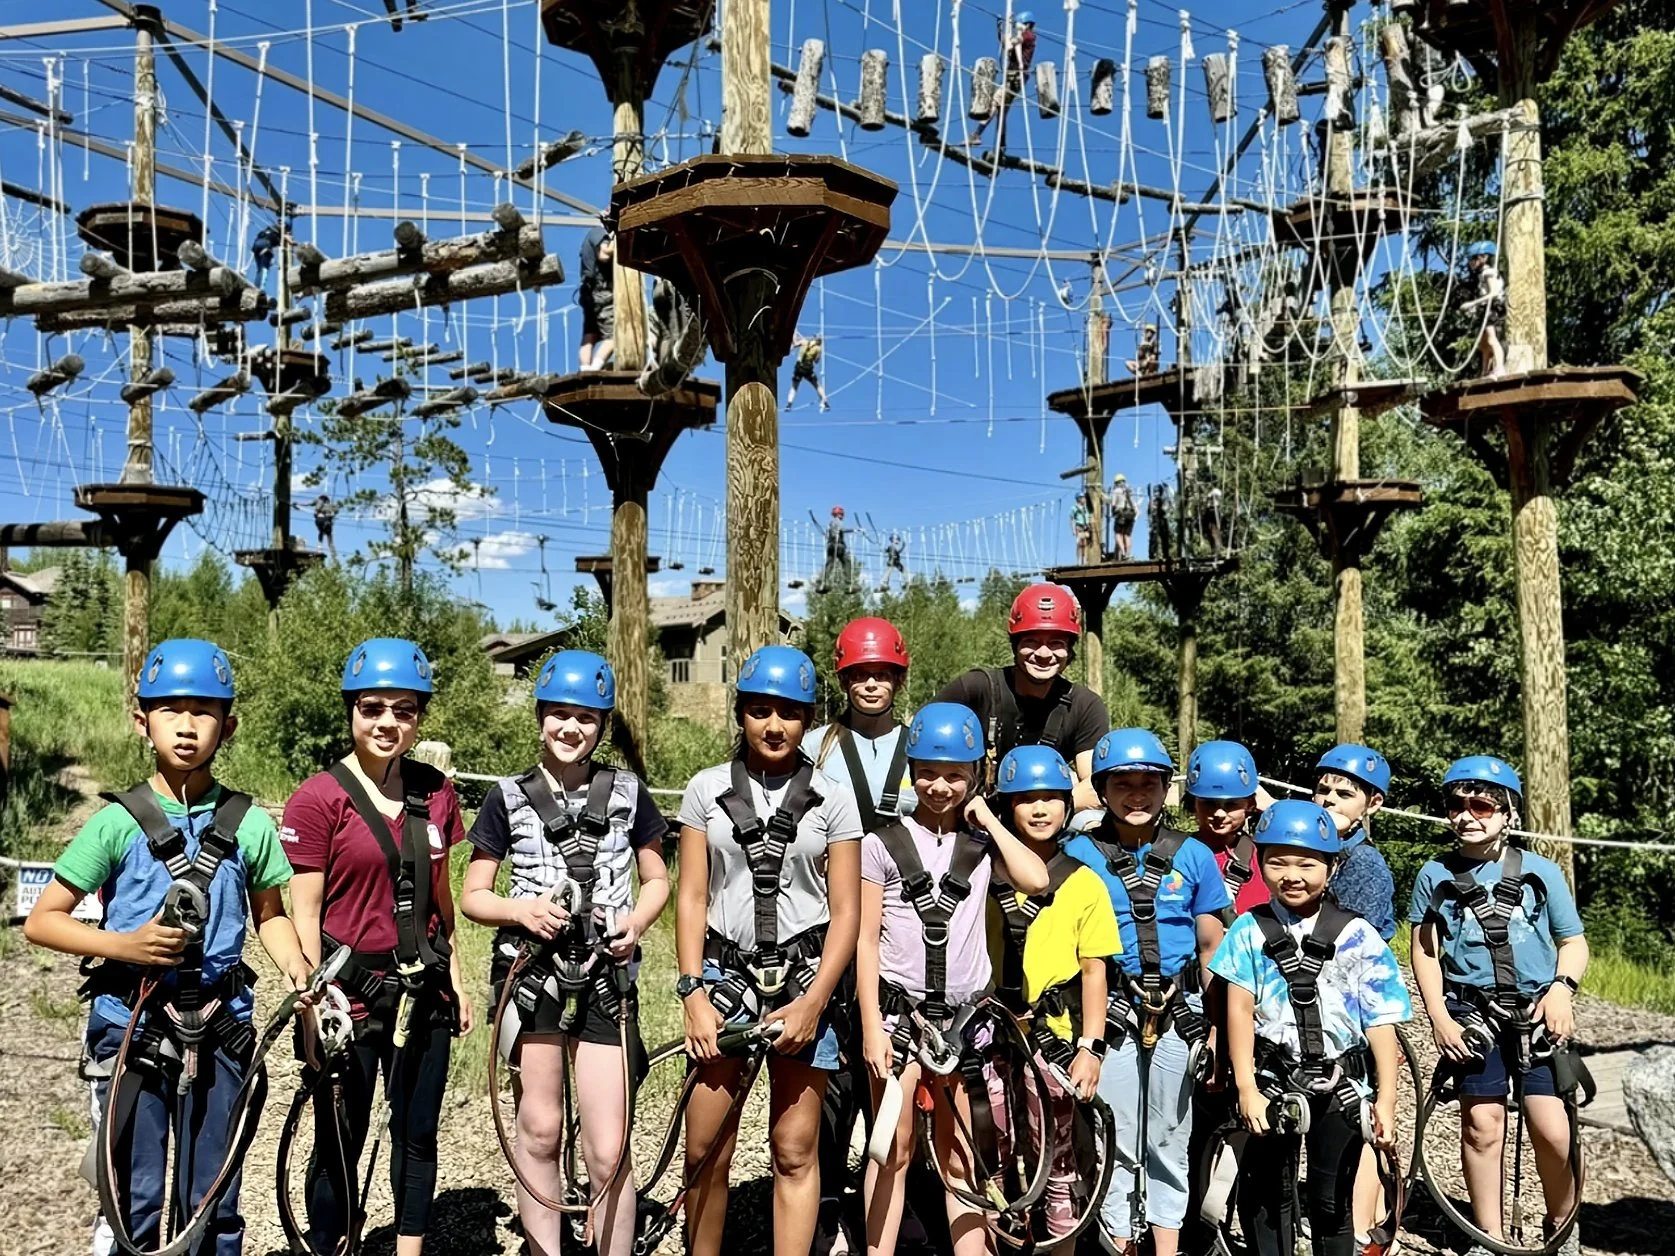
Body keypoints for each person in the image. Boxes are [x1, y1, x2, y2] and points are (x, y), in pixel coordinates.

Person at [25, 639, 312, 1256]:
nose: (187, 726)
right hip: (132, 1025)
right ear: (142, 722)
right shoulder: (117, 822)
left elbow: (271, 916)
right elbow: (44, 921)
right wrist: (125, 945)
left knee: (214, 1200)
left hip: (221, 1025)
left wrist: (298, 973)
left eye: (204, 711)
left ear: (227, 725)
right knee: (137, 1197)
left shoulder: (249, 824)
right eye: (170, 710)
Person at [460, 650, 670, 1256]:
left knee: (607, 1146)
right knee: (540, 1127)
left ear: (601, 725)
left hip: (606, 977)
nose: (570, 729)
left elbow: (657, 879)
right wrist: (520, 910)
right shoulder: (509, 797)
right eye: (558, 716)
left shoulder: (629, 794)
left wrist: (636, 920)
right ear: (540, 718)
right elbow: (475, 895)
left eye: (585, 718)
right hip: (533, 977)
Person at [281, 637, 475, 1256]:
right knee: (341, 1133)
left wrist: (459, 977)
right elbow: (304, 912)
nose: (388, 722)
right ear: (351, 711)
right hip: (347, 993)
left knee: (417, 1132)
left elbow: (441, 898)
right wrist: (309, 1003)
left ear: (419, 718)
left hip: (424, 987)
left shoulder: (437, 792)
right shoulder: (319, 799)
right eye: (373, 707)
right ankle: (332, 1244)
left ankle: (409, 1249)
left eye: (404, 709)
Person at [675, 645, 864, 1256]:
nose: (774, 725)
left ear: (809, 718)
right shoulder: (706, 791)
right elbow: (692, 898)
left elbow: (847, 913)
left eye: (788, 713)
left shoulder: (833, 799)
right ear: (741, 715)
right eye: (759, 711)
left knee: (794, 1150)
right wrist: (692, 995)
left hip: (805, 981)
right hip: (724, 976)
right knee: (705, 1150)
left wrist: (814, 1003)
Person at [859, 704, 1050, 1256]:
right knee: (889, 1150)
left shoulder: (983, 844)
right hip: (899, 1021)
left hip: (966, 1025)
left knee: (961, 1153)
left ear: (974, 776)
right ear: (911, 769)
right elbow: (865, 941)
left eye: (955, 775)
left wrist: (987, 817)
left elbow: (1036, 878)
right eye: (927, 772)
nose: (940, 786)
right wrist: (872, 1025)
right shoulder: (883, 843)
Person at [1211, 800, 1410, 1256]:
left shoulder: (1359, 936)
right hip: (1272, 1079)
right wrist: (1245, 1085)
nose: (1292, 874)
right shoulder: (1248, 930)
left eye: (1307, 863)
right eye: (1277, 862)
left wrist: (1386, 1099)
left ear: (1332, 866)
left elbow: (1379, 1019)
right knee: (1265, 1197)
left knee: (1330, 1202)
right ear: (1259, 863)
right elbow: (1238, 1009)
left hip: (1341, 1086)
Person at [1407, 756, 1589, 1256]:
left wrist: (1562, 989)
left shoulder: (1541, 873)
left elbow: (1573, 941)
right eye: (1457, 806)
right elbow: (1424, 949)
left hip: (1537, 1014)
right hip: (1472, 1014)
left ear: (1509, 813)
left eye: (1482, 805)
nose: (1468, 815)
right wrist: (1440, 1019)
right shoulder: (1435, 875)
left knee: (1551, 1128)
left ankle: (1562, 1222)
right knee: (1482, 1124)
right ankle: (1489, 1235)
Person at [1063, 729, 1230, 1256]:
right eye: (1123, 784)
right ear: (1103, 790)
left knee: (1167, 1135)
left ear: (1166, 790)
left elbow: (1210, 946)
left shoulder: (1195, 855)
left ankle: (1166, 1242)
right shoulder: (1078, 854)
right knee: (1115, 1131)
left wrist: (1219, 1027)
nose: (1137, 795)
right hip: (1110, 1009)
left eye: (1149, 784)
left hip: (1180, 1012)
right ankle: (1120, 1237)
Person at [808, 617, 914, 1251]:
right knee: (832, 1072)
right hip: (831, 924)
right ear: (843, 679)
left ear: (898, 678)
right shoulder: (818, 746)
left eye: (882, 674)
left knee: (893, 1071)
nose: (871, 685)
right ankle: (821, 1202)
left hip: (901, 931)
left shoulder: (923, 746)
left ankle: (893, 1203)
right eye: (859, 675)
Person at [986, 745, 1117, 1251]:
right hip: (990, 1034)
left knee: (1056, 1158)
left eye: (1050, 799)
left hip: (1055, 1038)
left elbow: (1094, 972)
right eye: (1026, 800)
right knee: (993, 1150)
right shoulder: (982, 873)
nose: (1039, 810)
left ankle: (1059, 1247)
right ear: (1007, 808)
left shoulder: (1085, 884)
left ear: (1068, 805)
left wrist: (1092, 1046)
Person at [933, 582, 1110, 812]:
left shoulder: (1084, 706)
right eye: (1032, 642)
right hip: (968, 817)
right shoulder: (976, 689)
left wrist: (1039, 809)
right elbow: (924, 745)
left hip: (1045, 823)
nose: (1044, 654)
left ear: (1069, 649)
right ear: (1015, 646)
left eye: (1056, 643)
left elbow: (1093, 788)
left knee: (1089, 820)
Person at [1184, 739, 1268, 916]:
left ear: (1251, 804)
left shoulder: (1263, 854)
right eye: (1209, 804)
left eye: (1231, 804)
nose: (1220, 813)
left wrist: (1273, 808)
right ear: (1193, 804)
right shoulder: (1180, 855)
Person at [965, 11, 1036, 157]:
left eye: (1020, 24)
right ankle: (1001, 145)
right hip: (1013, 78)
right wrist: (1001, 29)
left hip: (1016, 77)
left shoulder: (1029, 36)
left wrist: (1009, 27)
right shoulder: (1023, 37)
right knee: (1002, 111)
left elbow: (1012, 44)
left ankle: (977, 135)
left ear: (1026, 24)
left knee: (995, 102)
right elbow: (1006, 43)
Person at [1461, 242, 1507, 379]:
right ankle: (1485, 371)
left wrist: (1472, 304)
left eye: (1473, 259)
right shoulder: (1482, 274)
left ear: (1483, 257)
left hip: (1492, 308)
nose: (1470, 263)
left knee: (1492, 340)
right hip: (1486, 308)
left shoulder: (1488, 272)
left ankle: (1499, 368)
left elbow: (1493, 293)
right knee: (1484, 344)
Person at [578, 228, 617, 370]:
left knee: (591, 334)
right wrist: (616, 240)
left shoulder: (591, 236)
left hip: (589, 293)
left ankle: (585, 368)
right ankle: (595, 367)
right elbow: (604, 254)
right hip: (601, 293)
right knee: (615, 335)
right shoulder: (599, 233)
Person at [787, 333, 831, 411]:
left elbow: (794, 344)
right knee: (817, 386)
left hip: (799, 368)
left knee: (794, 387)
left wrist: (794, 336)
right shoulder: (818, 349)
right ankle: (825, 402)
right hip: (808, 370)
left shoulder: (804, 342)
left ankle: (789, 404)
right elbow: (816, 361)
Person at [818, 505, 855, 594]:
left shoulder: (830, 524)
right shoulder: (837, 521)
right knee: (846, 562)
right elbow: (842, 529)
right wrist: (855, 530)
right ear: (840, 514)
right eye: (841, 514)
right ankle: (848, 583)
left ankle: (823, 581)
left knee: (829, 564)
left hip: (830, 546)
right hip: (838, 546)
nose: (842, 516)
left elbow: (827, 535)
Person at [1110, 474, 1137, 559]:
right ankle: (1128, 554)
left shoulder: (1116, 491)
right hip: (1130, 514)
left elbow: (1113, 504)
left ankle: (1124, 552)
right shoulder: (1128, 490)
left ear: (1116, 483)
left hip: (1120, 514)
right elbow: (1133, 503)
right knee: (1127, 536)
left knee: (1118, 534)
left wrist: (1113, 512)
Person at [1071, 491, 1096, 563]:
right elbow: (1072, 519)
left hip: (1086, 527)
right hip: (1079, 527)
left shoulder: (1085, 508)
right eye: (1083, 498)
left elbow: (1090, 513)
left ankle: (1084, 560)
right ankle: (1078, 560)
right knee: (1079, 544)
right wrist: (1073, 529)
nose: (1084, 499)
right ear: (1079, 499)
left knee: (1085, 544)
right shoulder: (1074, 508)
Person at [312, 493, 338, 561]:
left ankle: (319, 548)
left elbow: (314, 514)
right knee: (329, 538)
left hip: (319, 521)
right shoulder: (329, 506)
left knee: (321, 532)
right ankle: (333, 553)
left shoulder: (318, 506)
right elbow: (332, 514)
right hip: (326, 522)